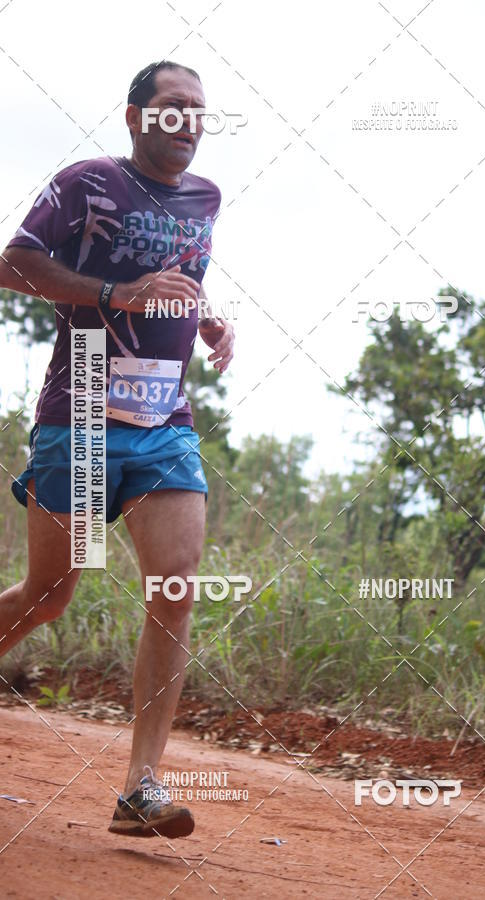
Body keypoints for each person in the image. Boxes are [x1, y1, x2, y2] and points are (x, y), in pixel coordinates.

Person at [0, 60, 234, 838]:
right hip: (82, 412)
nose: (188, 122)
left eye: (198, 110)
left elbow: (176, 278)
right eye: (171, 108)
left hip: (164, 422)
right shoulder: (88, 183)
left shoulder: (207, 200)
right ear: (135, 117)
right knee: (47, 594)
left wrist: (207, 320)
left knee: (175, 590)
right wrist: (110, 296)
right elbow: (13, 263)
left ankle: (140, 788)